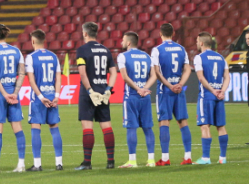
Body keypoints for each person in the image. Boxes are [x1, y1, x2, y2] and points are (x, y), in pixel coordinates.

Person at [74, 22, 118, 171]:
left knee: (87, 127)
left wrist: (90, 91)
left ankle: (87, 163)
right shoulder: (106, 50)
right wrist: (108, 90)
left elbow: (82, 73)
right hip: (103, 91)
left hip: (89, 94)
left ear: (85, 33)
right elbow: (113, 73)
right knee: (106, 126)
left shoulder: (82, 50)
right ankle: (111, 161)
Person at [0, 24, 27, 173]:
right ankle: (21, 164)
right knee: (17, 128)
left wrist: (4, 94)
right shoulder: (17, 51)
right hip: (13, 93)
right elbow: (22, 73)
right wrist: (14, 92)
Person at [150, 23, 193, 166]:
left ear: (160, 34)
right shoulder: (181, 49)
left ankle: (165, 158)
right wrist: (180, 83)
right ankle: (188, 157)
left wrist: (169, 85)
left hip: (165, 91)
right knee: (183, 122)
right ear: (173, 33)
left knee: (164, 122)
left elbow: (156, 71)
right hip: (179, 91)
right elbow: (187, 69)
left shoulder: (157, 50)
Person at [117, 32, 158, 168]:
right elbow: (153, 76)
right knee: (148, 128)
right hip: (145, 97)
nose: (121, 42)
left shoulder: (123, 56)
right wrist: (144, 88)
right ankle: (151, 160)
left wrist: (138, 89)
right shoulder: (146, 56)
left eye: (123, 39)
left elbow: (125, 77)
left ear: (128, 42)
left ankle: (132, 161)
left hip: (132, 97)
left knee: (131, 128)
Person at [25, 30, 64, 172]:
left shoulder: (30, 57)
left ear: (33, 41)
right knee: (54, 128)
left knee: (36, 129)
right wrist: (57, 96)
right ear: (44, 40)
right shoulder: (54, 56)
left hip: (38, 98)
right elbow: (58, 78)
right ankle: (59, 163)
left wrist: (41, 97)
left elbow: (31, 79)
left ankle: (37, 164)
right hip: (52, 96)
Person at [193, 32, 230, 165]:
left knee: (205, 125)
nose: (197, 43)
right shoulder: (222, 58)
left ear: (202, 43)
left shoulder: (199, 58)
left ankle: (205, 158)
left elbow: (201, 77)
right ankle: (223, 158)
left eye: (197, 41)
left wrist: (213, 90)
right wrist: (222, 91)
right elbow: (227, 77)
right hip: (219, 96)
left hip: (206, 96)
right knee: (221, 126)